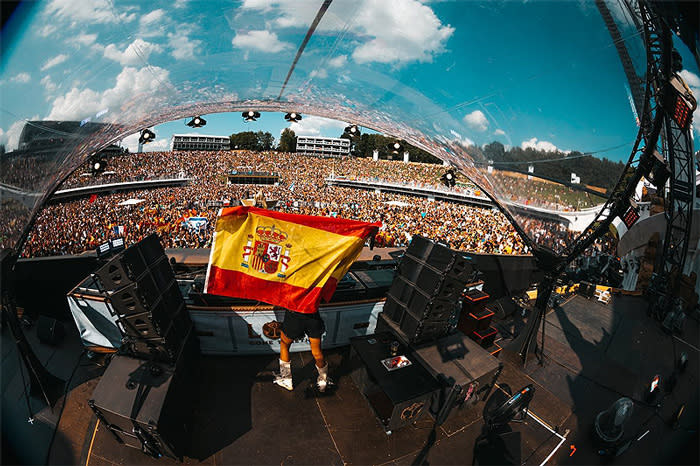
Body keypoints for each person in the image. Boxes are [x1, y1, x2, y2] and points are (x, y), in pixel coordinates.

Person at [274, 309, 332, 392]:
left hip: (294, 315)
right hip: (313, 316)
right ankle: (323, 381)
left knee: (284, 344)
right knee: (317, 351)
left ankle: (286, 380)